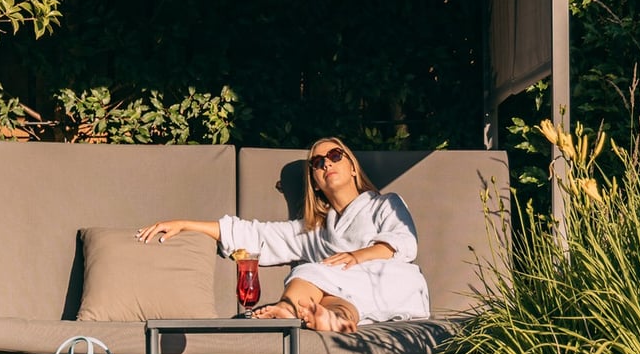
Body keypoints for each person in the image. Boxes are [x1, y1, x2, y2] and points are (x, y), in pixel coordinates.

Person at [135, 136, 429, 333]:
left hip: (392, 283)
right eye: (317, 162)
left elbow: (405, 242)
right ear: (314, 181)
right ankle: (333, 319)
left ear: (352, 167)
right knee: (325, 294)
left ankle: (288, 308)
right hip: (352, 300)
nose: (326, 163)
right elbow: (255, 234)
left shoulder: (385, 203)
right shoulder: (313, 230)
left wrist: (356, 256)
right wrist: (186, 224)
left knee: (310, 272)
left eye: (335, 155)